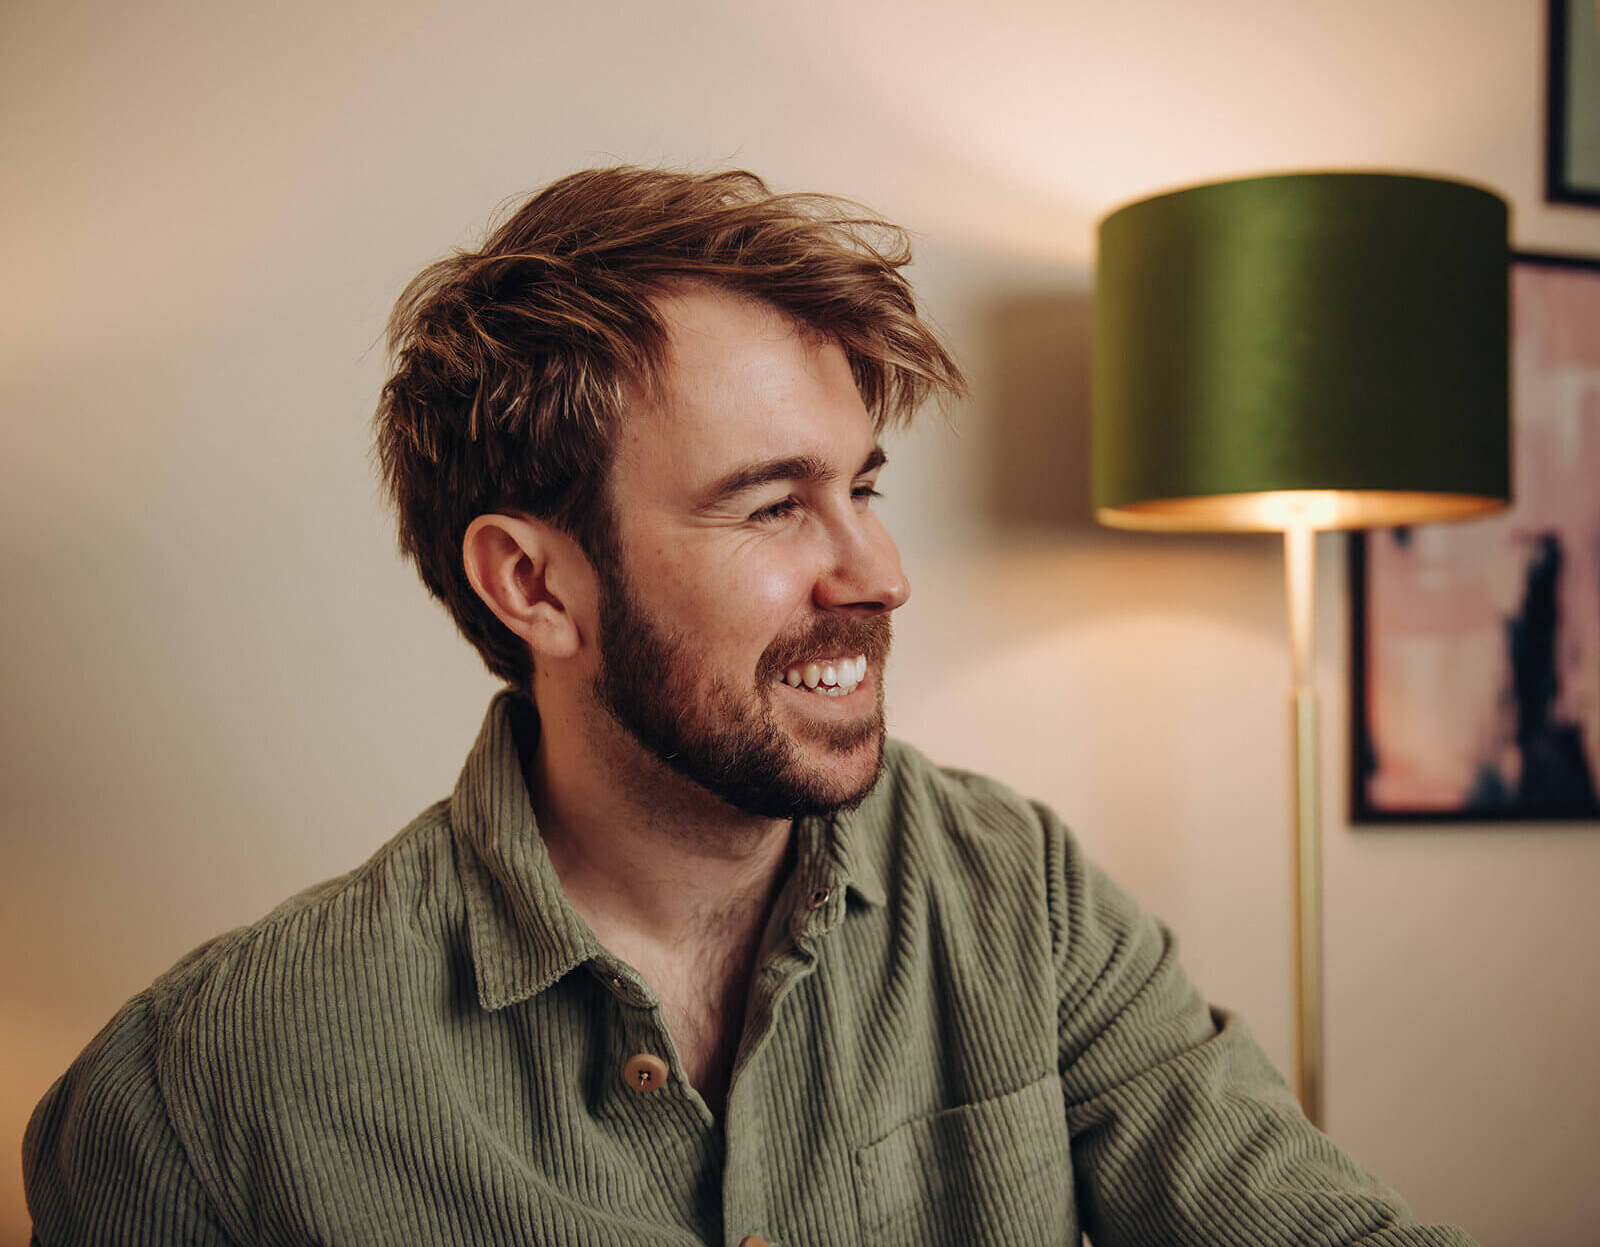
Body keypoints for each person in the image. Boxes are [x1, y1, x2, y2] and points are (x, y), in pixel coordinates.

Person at [23, 167, 1476, 1246]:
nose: (882, 574)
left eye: (863, 488)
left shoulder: (1014, 899)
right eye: (775, 506)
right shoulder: (201, 1104)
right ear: (535, 585)